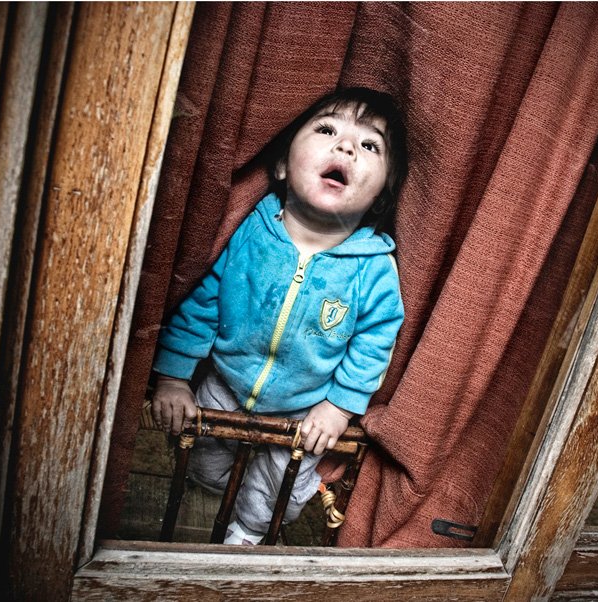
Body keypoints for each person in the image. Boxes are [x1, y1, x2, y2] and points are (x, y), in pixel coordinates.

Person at [151, 87, 408, 545]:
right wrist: (173, 377)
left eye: (370, 144)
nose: (346, 146)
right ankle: (215, 493)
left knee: (277, 495)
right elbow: (202, 302)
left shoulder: (374, 268)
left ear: (382, 194)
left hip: (305, 406)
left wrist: (338, 407)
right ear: (283, 166)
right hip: (225, 383)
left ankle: (248, 532)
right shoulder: (249, 230)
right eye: (326, 129)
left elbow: (374, 343)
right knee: (203, 463)